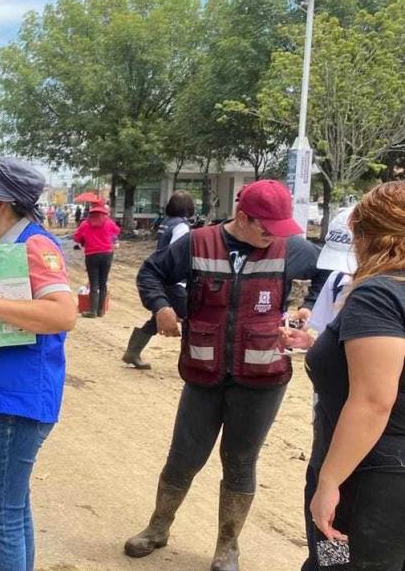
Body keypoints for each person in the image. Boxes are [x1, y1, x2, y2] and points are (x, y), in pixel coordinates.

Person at [126, 179, 327, 571]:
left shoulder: (291, 248)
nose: (273, 236)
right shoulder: (198, 243)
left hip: (262, 375)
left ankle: (227, 546)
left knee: (240, 460)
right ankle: (157, 527)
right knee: (183, 457)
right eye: (265, 227)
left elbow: (328, 271)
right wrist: (161, 307)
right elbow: (151, 273)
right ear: (242, 217)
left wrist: (310, 306)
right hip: (204, 371)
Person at [0, 157, 77, 571]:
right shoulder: (8, 245)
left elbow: (63, 313)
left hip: (15, 401)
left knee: (0, 515)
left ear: (0, 203)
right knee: (13, 508)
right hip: (6, 395)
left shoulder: (35, 246)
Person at [292, 182, 405, 571]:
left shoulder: (379, 294)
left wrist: (329, 482)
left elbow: (374, 400)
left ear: (365, 235)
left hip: (367, 481)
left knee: (334, 562)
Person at [300, 205, 356, 571]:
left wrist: (332, 478)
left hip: (370, 451)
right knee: (329, 544)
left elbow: (373, 401)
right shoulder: (337, 281)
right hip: (329, 424)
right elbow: (322, 337)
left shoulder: (385, 300)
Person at [122, 191, 196, 369]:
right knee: (192, 318)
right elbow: (177, 253)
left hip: (162, 276)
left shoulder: (166, 223)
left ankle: (133, 351)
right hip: (174, 280)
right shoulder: (181, 227)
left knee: (160, 315)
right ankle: (194, 359)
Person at [72, 203, 120, 318]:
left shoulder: (85, 224)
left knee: (94, 283)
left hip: (91, 255)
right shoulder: (108, 222)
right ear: (104, 213)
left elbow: (76, 237)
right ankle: (100, 310)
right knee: (103, 283)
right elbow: (117, 231)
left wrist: (85, 239)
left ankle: (92, 311)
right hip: (107, 254)